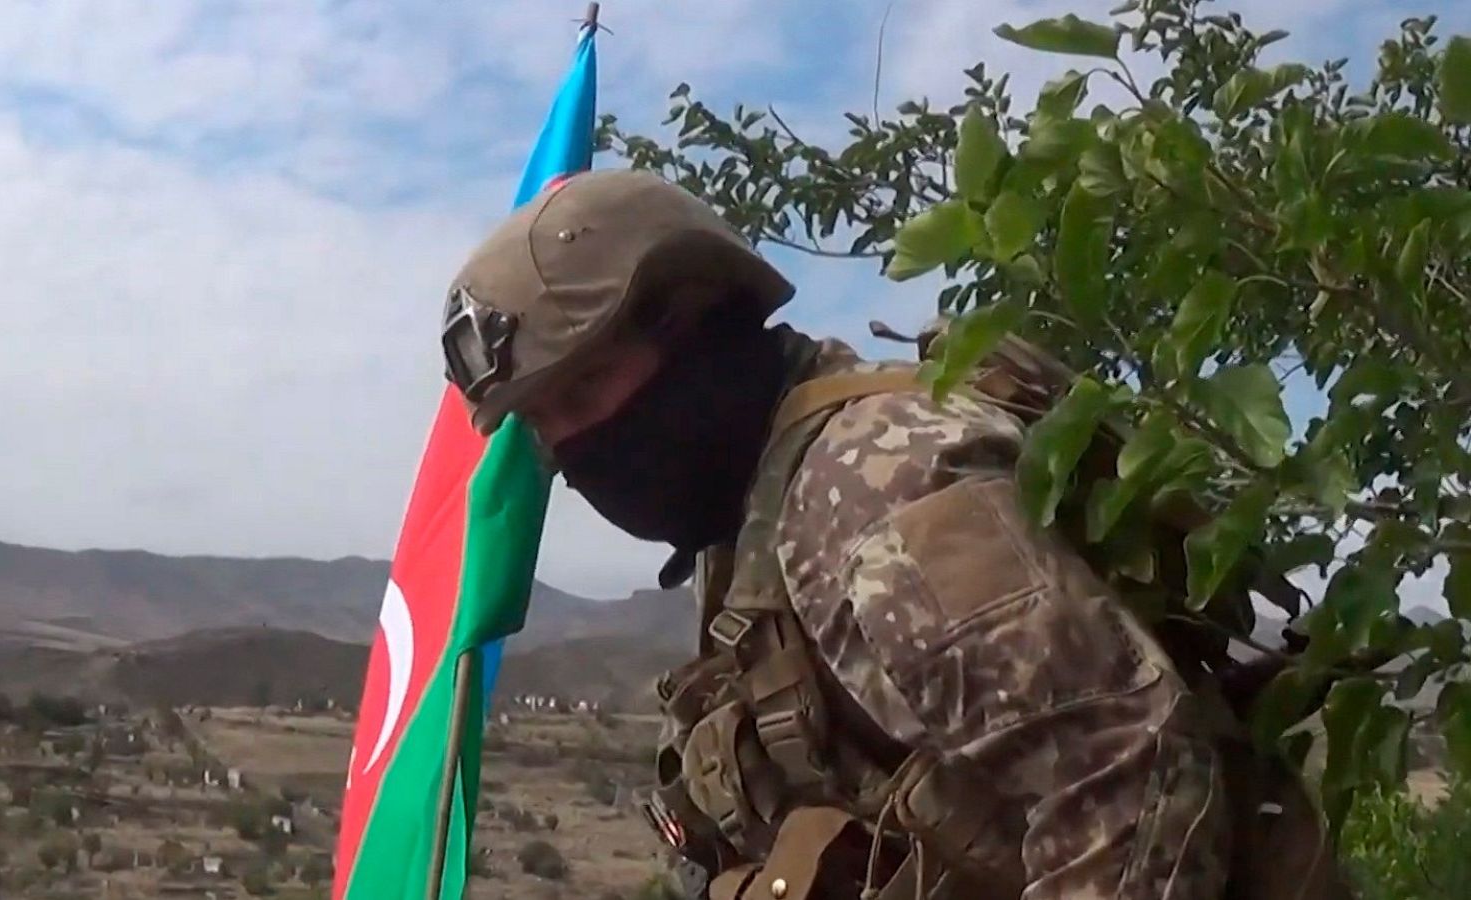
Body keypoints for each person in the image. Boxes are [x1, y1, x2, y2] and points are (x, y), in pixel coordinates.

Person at [440, 168, 1347, 900]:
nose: (576, 445)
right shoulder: (758, 514)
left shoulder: (871, 486)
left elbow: (1124, 775)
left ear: (694, 312)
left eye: (586, 388)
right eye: (545, 422)